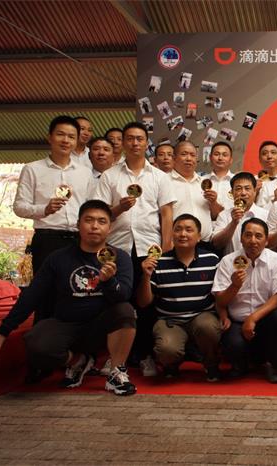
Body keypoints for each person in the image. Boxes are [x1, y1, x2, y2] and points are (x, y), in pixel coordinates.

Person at [0, 200, 137, 396]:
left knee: (125, 311)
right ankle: (77, 362)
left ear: (109, 228)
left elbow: (123, 295)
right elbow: (33, 294)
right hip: (66, 324)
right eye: (89, 220)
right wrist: (4, 329)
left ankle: (116, 373)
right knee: (36, 344)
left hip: (100, 328)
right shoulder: (58, 258)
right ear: (78, 225)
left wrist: (109, 281)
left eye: (101, 221)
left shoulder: (120, 257)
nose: (95, 226)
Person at [93, 121, 176, 375]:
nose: (135, 143)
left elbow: (167, 213)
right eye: (130, 138)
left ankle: (145, 356)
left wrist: (166, 247)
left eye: (140, 138)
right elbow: (100, 214)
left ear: (146, 143)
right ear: (123, 142)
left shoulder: (159, 176)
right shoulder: (110, 176)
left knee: (147, 304)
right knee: (118, 303)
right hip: (117, 247)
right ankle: (115, 357)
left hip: (148, 248)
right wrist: (119, 208)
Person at [136, 214, 222, 381]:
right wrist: (146, 276)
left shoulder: (211, 260)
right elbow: (143, 302)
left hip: (202, 317)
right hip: (170, 320)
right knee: (167, 349)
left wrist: (224, 315)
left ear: (199, 236)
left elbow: (218, 295)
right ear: (172, 234)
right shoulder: (158, 262)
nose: (183, 234)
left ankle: (211, 363)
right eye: (178, 229)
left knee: (208, 327)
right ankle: (171, 365)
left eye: (189, 230)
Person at [13, 115, 91, 278]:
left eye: (71, 137)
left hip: (79, 239)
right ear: (49, 138)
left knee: (78, 286)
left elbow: (90, 206)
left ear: (76, 141)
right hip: (47, 239)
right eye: (60, 134)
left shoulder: (85, 172)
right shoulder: (32, 169)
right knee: (46, 288)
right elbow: (19, 207)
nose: (66, 140)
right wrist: (45, 209)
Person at [212, 218, 277, 383]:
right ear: (241, 238)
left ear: (266, 240)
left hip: (265, 319)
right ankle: (240, 365)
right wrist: (234, 285)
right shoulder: (227, 261)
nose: (253, 240)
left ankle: (272, 364)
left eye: (258, 236)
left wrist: (253, 318)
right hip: (237, 320)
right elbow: (220, 301)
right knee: (234, 345)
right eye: (248, 235)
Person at [168, 141, 213, 245]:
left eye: (192, 155)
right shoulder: (164, 181)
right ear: (174, 158)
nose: (189, 158)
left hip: (205, 243)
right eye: (184, 154)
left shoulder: (205, 182)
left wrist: (214, 202)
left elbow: (216, 214)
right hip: (177, 244)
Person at [212, 172, 268, 254]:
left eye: (247, 188)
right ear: (232, 193)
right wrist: (233, 223)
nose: (243, 193)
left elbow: (270, 243)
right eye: (238, 189)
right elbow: (217, 244)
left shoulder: (265, 214)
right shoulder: (224, 215)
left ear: (255, 191)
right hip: (231, 261)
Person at [202, 141, 235, 220]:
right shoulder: (201, 181)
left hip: (232, 224)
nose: (220, 158)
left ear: (231, 160)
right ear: (210, 158)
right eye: (216, 154)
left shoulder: (238, 182)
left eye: (225, 155)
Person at [254, 140, 277, 208]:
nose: (269, 156)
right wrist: (254, 192)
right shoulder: (252, 181)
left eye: (273, 153)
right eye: (264, 153)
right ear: (259, 159)